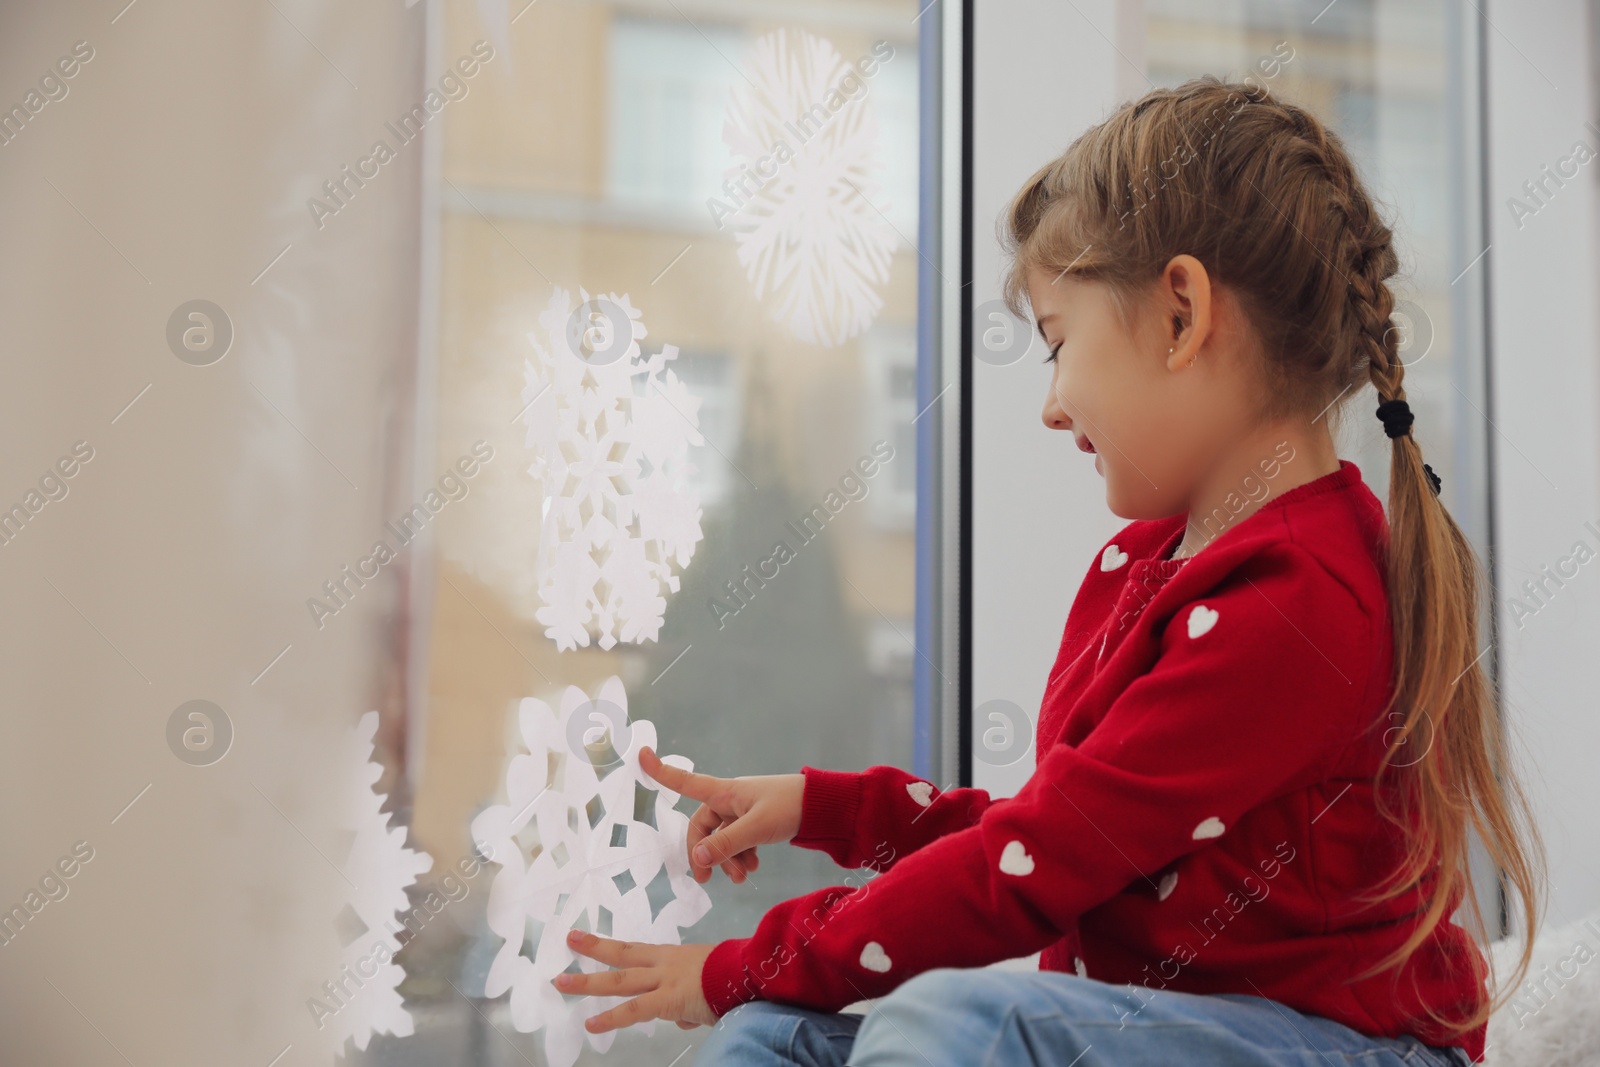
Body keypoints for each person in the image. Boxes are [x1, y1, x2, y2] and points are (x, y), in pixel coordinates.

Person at [551, 77, 1546, 1067]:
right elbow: (1060, 840)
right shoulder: (1154, 566)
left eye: (1058, 344)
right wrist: (836, 810)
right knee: (774, 1034)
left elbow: (1028, 868)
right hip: (1178, 1033)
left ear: (1180, 314)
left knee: (951, 1024)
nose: (1051, 407)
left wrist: (730, 962)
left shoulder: (1298, 601)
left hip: (1354, 1053)